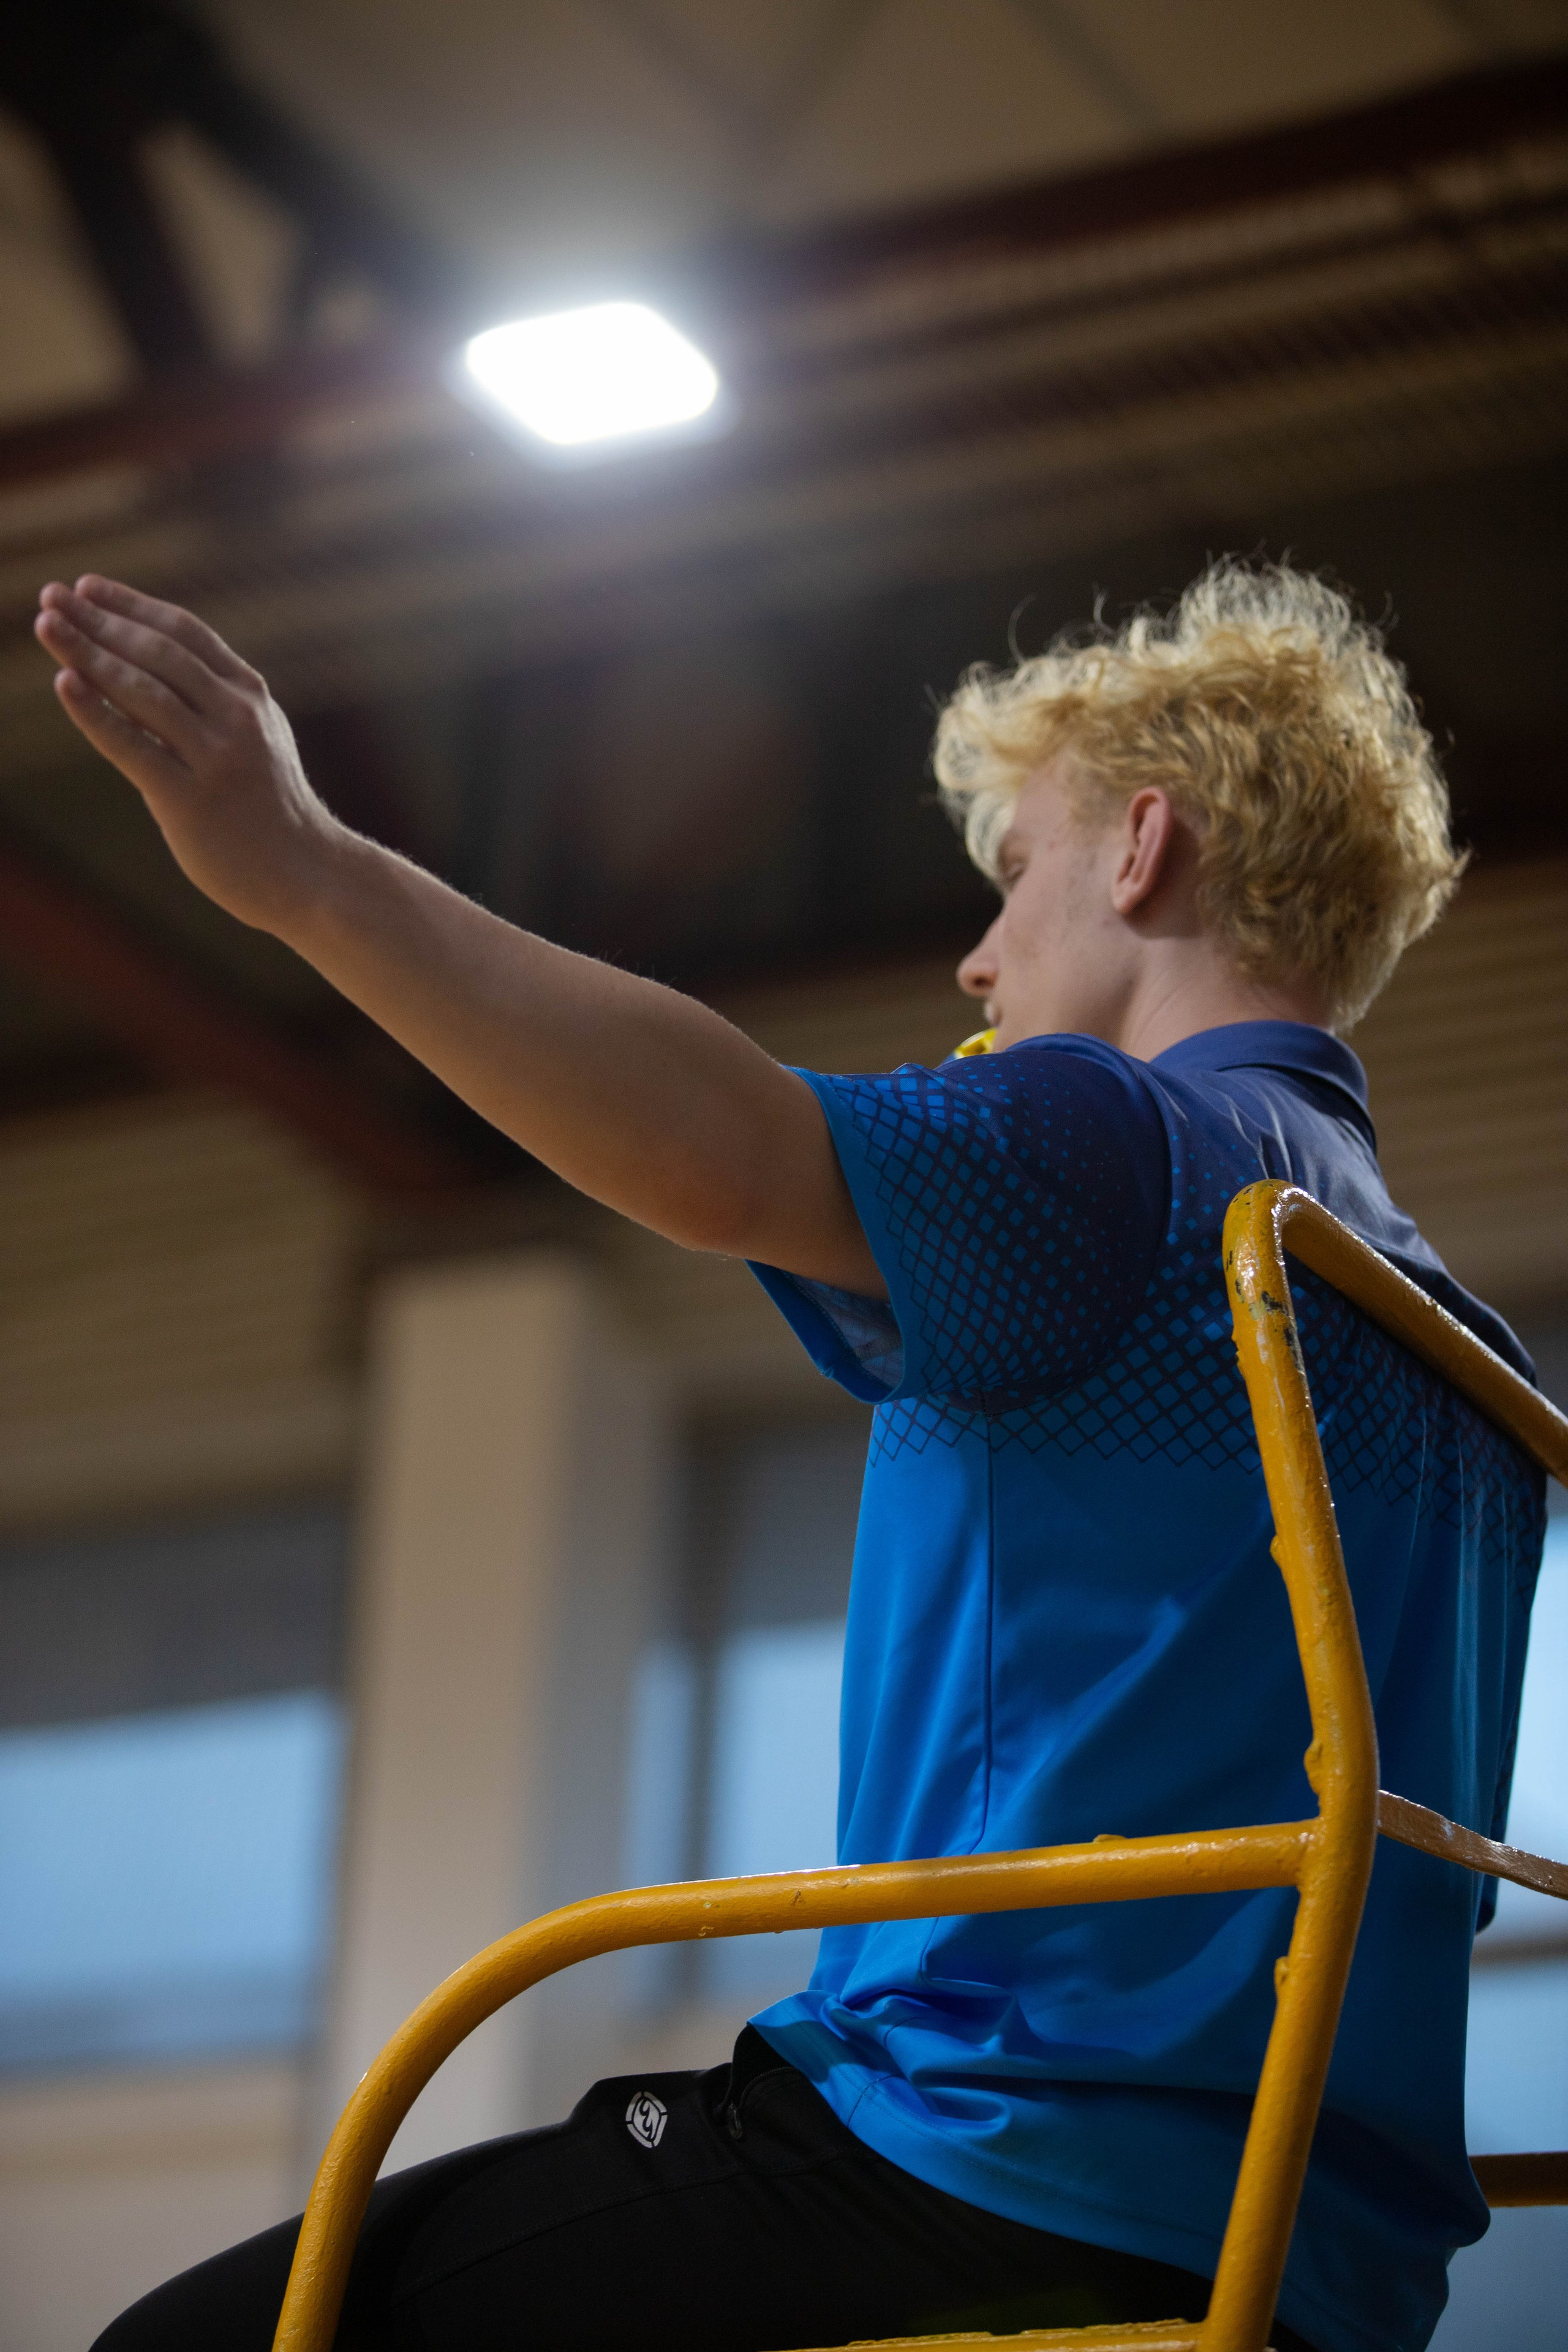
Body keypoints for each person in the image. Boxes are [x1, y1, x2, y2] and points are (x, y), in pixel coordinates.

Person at [35, 560, 1544, 2352]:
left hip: (982, 2163)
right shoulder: (1469, 1359)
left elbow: (722, 1146)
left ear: (1142, 851)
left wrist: (306, 871)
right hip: (1329, 2264)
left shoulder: (1112, 1147)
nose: (981, 960)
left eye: (1015, 879)